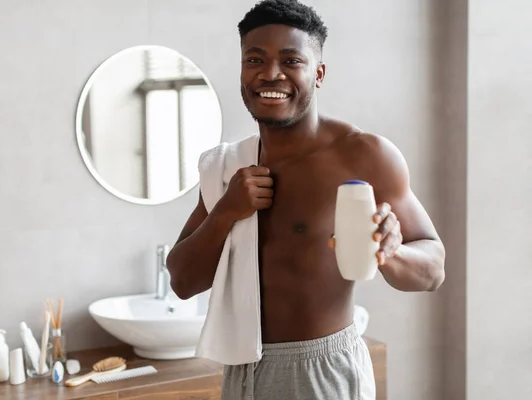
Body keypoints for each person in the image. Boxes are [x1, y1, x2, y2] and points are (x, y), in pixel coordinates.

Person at [167, 0, 446, 398]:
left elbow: (434, 269)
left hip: (323, 371)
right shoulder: (227, 167)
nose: (270, 74)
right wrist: (227, 211)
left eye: (291, 60)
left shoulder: (363, 155)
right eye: (255, 59)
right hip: (241, 373)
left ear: (318, 74)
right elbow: (181, 281)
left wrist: (393, 251)